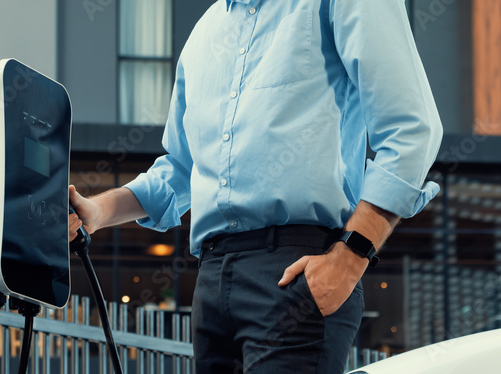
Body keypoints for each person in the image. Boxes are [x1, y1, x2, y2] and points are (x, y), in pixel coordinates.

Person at [67, 0, 442, 372]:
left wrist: (351, 256)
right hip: (212, 281)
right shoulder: (205, 31)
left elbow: (411, 132)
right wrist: (98, 211)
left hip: (296, 270)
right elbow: (182, 168)